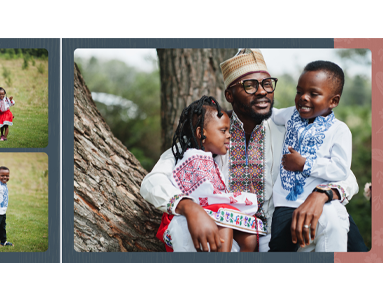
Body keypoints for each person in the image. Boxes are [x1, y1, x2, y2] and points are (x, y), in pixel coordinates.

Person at [141, 49, 366, 252]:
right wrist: (188, 207)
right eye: (250, 85)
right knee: (182, 225)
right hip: (226, 235)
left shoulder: (289, 128)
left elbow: (347, 176)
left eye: (267, 84)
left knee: (333, 214)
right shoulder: (211, 131)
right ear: (230, 95)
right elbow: (154, 181)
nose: (262, 92)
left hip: (280, 233)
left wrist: (322, 194)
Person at [161, 95, 263, 252]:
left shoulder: (211, 159)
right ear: (201, 133)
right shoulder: (191, 158)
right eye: (223, 131)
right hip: (197, 211)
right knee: (225, 226)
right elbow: (205, 194)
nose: (229, 135)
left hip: (216, 209)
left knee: (249, 238)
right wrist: (241, 199)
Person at [269, 61, 351, 252]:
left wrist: (304, 164)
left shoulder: (339, 130)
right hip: (284, 204)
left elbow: (340, 169)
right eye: (299, 92)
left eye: (313, 94)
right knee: (279, 250)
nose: (303, 98)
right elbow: (271, 114)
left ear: (334, 101)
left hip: (319, 206)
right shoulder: (290, 115)